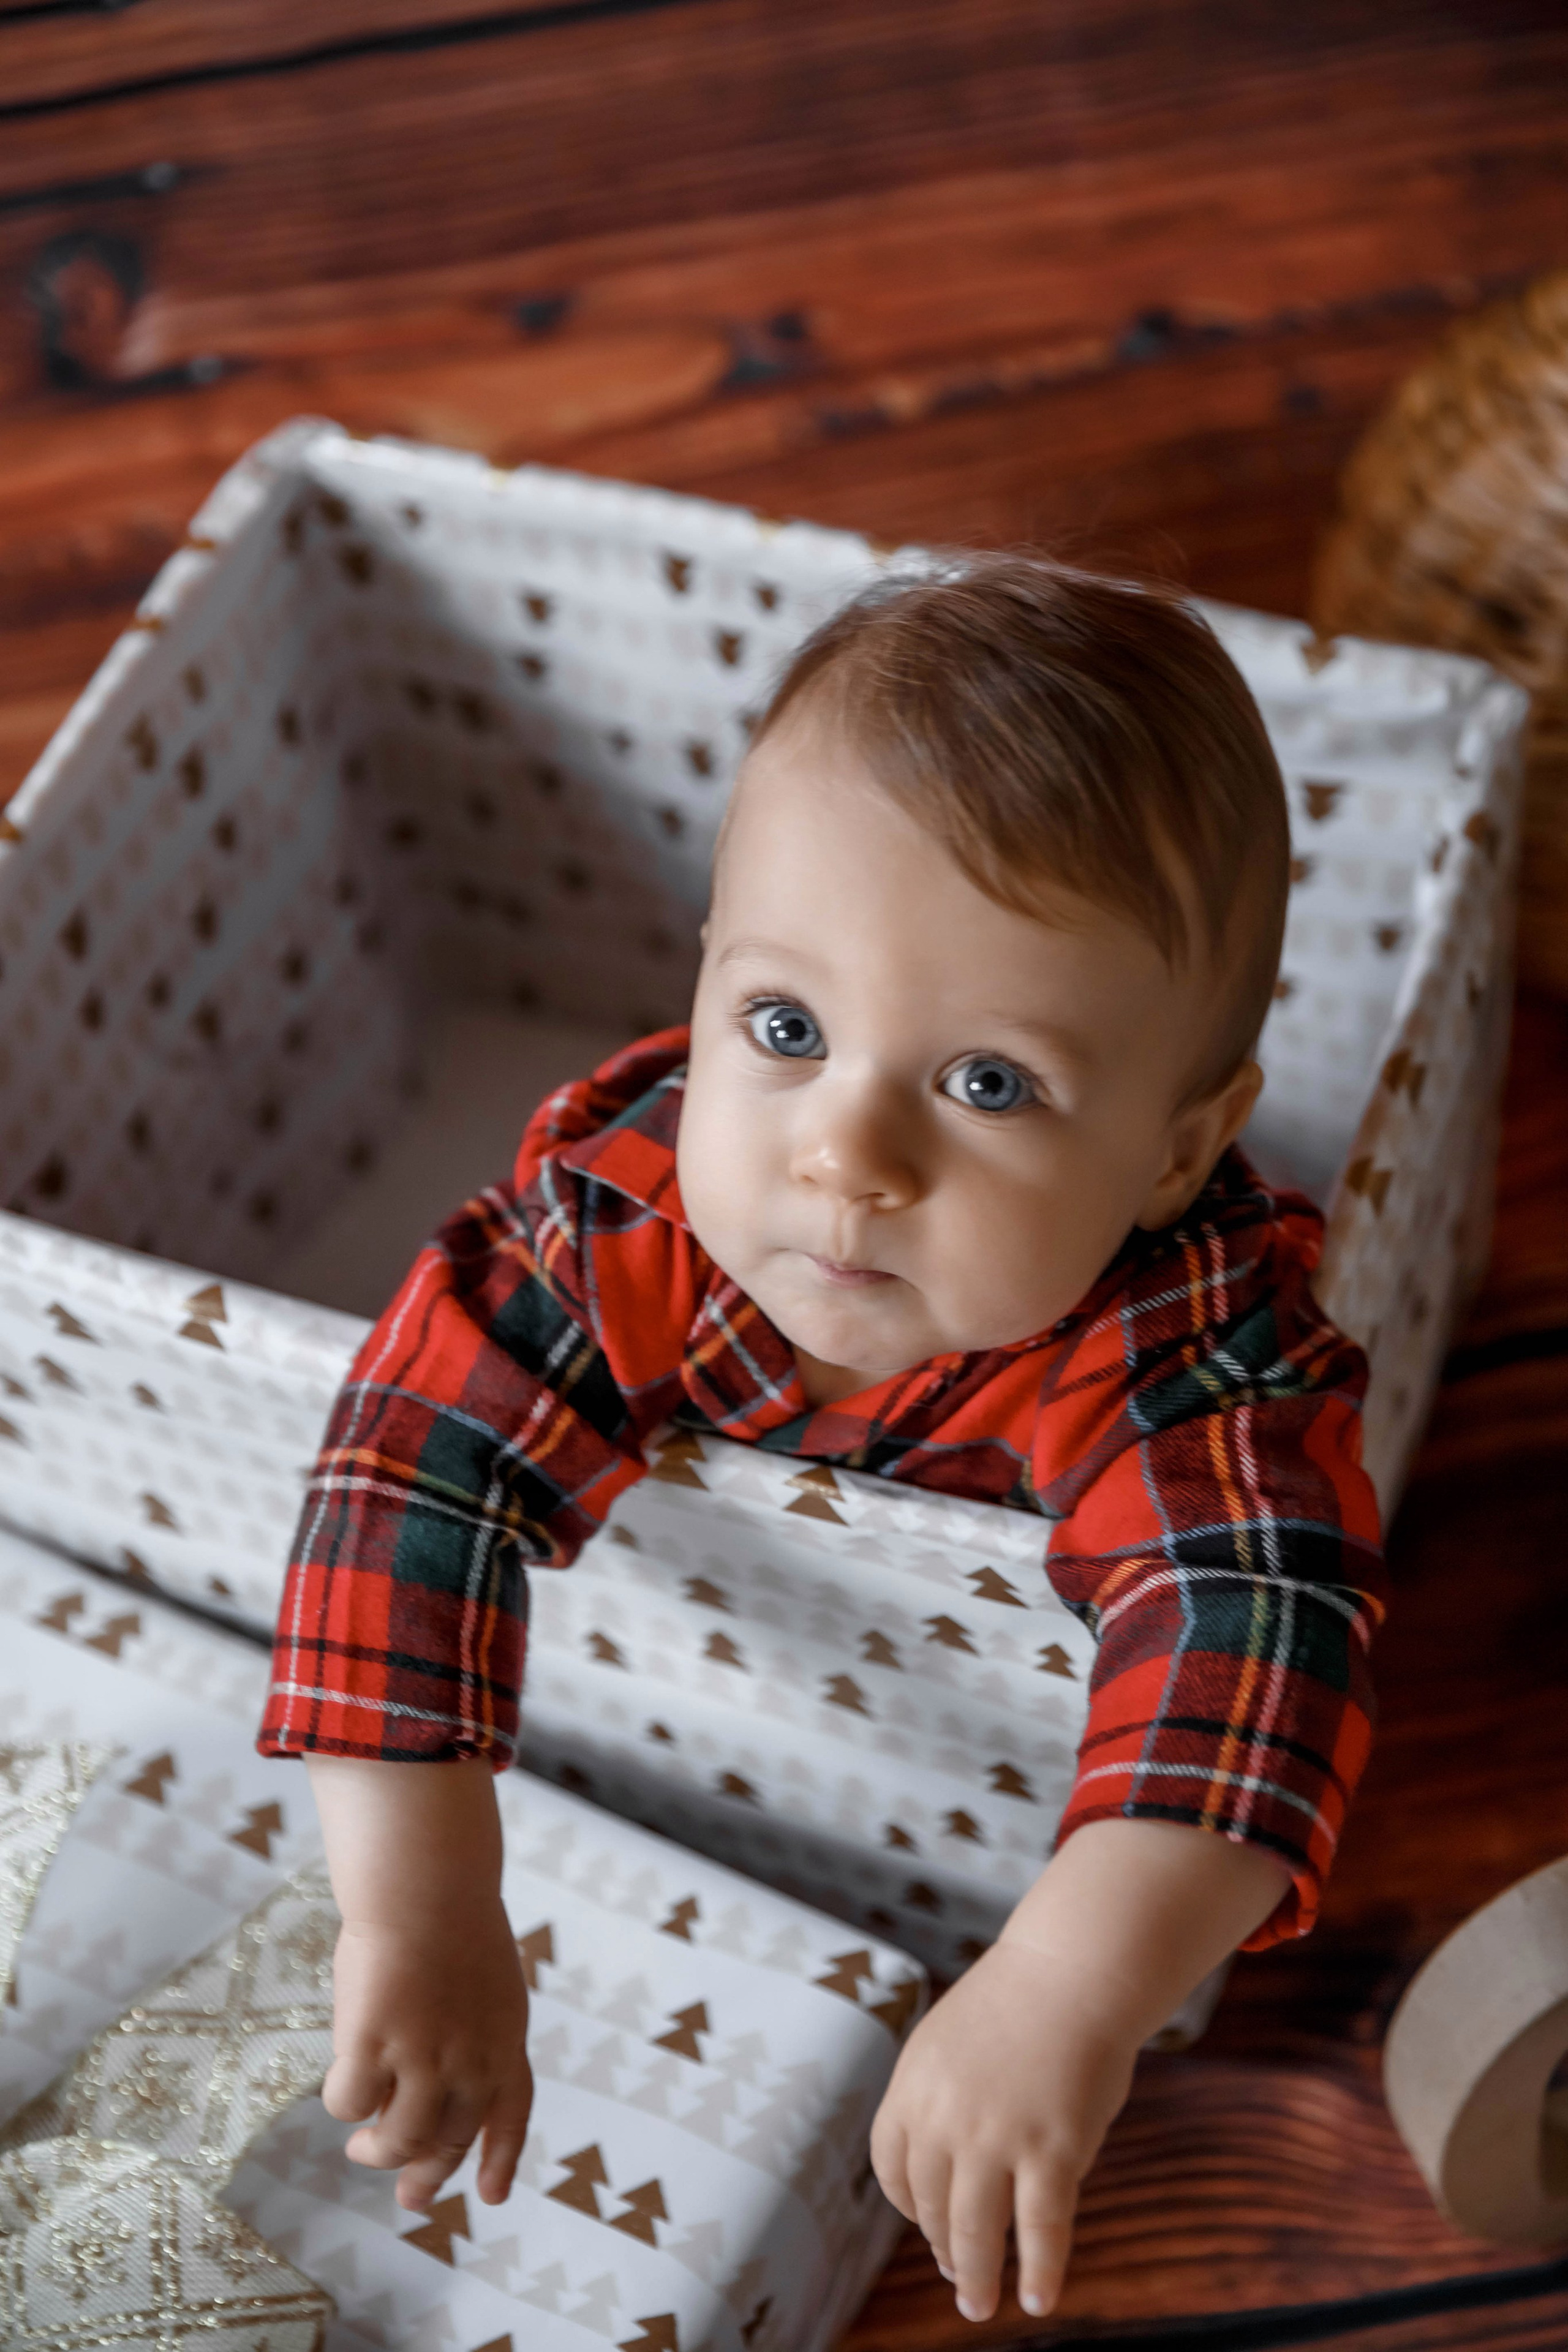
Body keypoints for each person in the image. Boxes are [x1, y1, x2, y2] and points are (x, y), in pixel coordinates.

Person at [258, 555, 1384, 2326]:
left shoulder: (1193, 1341)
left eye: (988, 1082)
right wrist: (424, 1907)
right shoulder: (631, 1218)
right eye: (784, 1028)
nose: (847, 1155)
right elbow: (406, 1478)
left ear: (1175, 1154)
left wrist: (1064, 1987)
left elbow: (1255, 1629)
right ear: (704, 984)